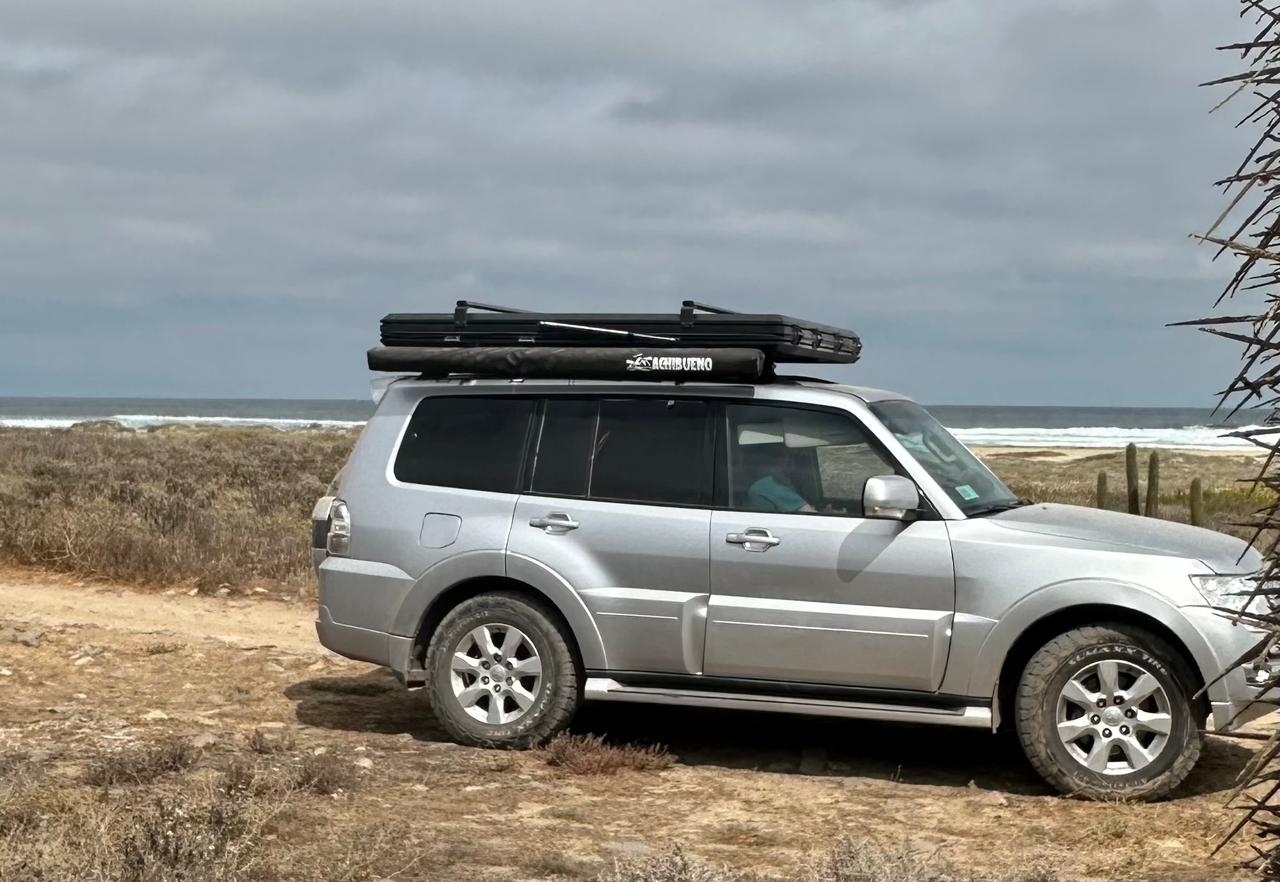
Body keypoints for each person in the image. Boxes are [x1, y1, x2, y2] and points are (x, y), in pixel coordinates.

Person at [746, 444, 815, 513]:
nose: (790, 460)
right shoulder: (768, 484)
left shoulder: (773, 481)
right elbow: (809, 513)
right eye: (789, 456)